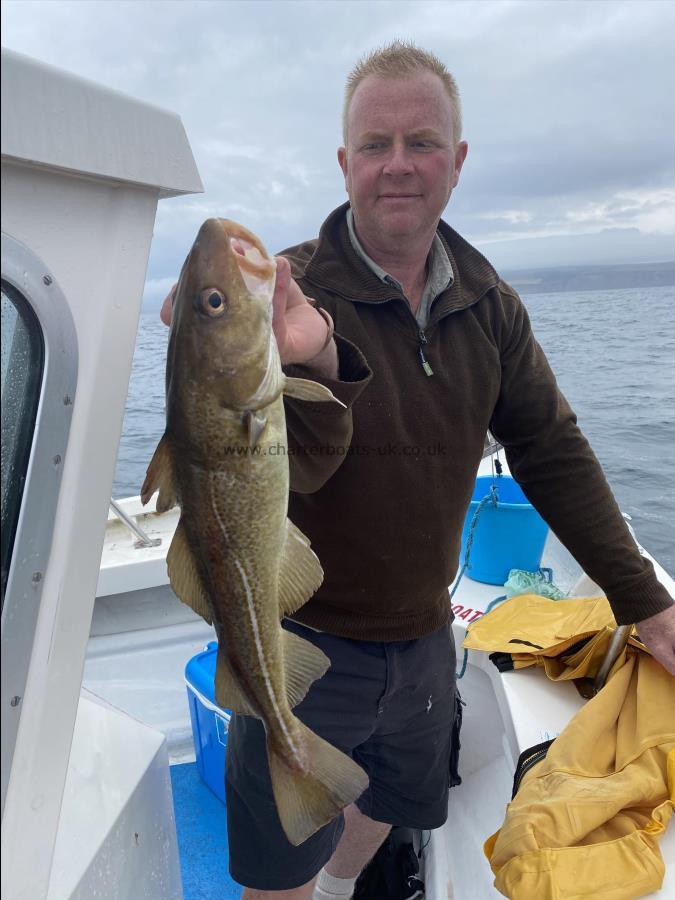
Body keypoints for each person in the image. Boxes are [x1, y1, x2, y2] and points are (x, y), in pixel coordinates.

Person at [161, 41, 675, 900]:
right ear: (344, 162)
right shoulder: (287, 296)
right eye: (374, 145)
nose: (397, 165)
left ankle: (336, 892)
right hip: (301, 633)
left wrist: (647, 606)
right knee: (276, 861)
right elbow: (290, 459)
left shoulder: (487, 302)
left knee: (393, 803)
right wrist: (303, 355)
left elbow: (550, 449)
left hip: (427, 633)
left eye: (421, 142)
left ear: (457, 161)